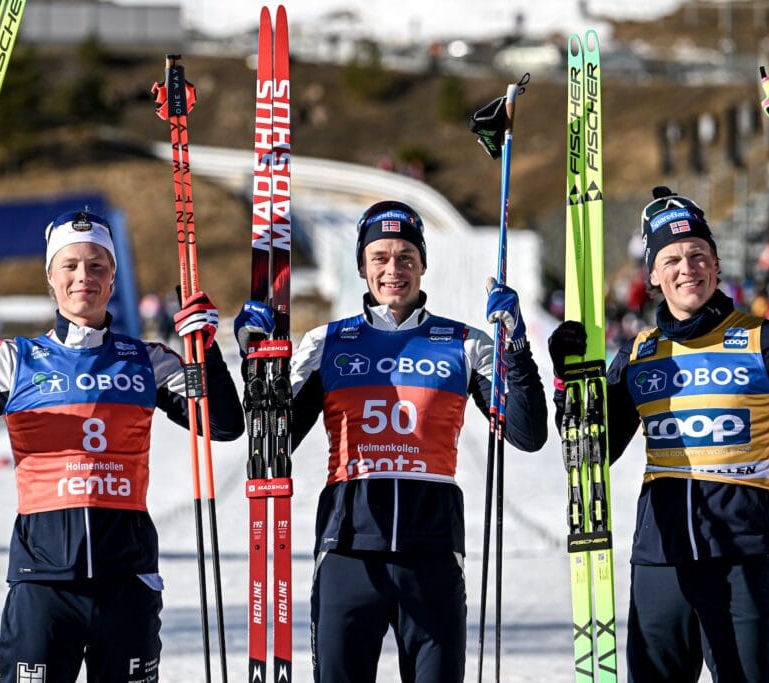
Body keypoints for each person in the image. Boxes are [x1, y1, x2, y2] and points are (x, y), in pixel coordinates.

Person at [0, 209, 245, 682]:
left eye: (97, 266)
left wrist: (205, 350)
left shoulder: (148, 361)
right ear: (50, 278)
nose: (83, 277)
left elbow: (226, 425)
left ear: (113, 280)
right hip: (42, 586)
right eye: (69, 266)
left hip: (126, 581)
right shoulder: (15, 361)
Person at [548, 186, 769, 683]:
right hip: (660, 562)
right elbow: (587, 455)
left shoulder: (766, 340)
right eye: (672, 258)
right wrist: (569, 382)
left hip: (740, 557)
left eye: (699, 255)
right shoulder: (638, 355)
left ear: (716, 265)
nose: (687, 268)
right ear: (653, 275)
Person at [234, 200, 548, 682]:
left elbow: (527, 433)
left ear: (423, 264)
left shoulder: (464, 343)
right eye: (379, 257)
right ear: (361, 266)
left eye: (405, 256)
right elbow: (270, 453)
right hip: (348, 552)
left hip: (433, 556)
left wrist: (516, 349)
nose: (393, 269)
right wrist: (259, 367)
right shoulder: (326, 343)